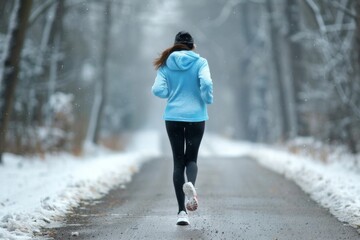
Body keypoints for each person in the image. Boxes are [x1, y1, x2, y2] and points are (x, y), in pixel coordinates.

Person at [151, 31, 213, 225]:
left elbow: (158, 90)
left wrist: (173, 92)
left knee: (178, 162)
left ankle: (181, 213)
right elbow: (207, 82)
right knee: (191, 158)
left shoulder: (166, 63)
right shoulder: (200, 62)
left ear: (176, 45)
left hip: (173, 117)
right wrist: (206, 98)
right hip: (196, 116)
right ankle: (190, 188)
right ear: (192, 46)